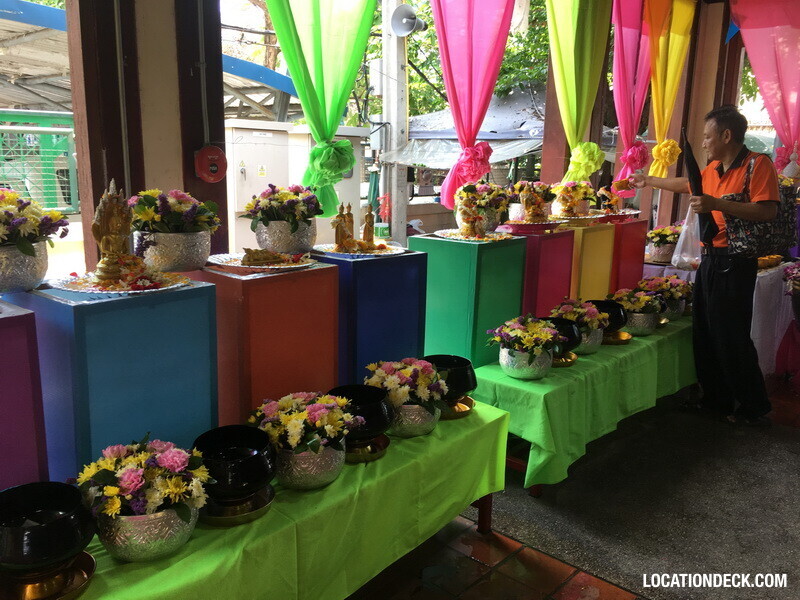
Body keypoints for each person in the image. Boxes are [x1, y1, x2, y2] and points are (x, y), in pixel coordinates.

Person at [631, 105, 779, 426]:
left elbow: (767, 211)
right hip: (710, 259)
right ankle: (716, 400)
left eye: (709, 136)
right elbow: (688, 185)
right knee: (705, 330)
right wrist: (649, 180)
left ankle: (753, 405)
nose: (704, 143)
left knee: (731, 334)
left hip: (737, 260)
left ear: (727, 135)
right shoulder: (713, 167)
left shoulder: (758, 164)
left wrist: (717, 204)